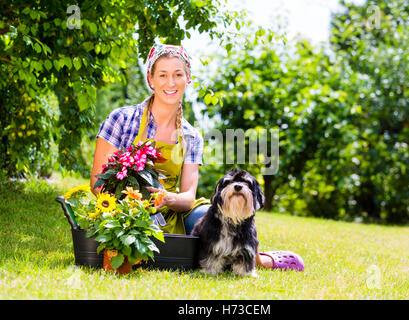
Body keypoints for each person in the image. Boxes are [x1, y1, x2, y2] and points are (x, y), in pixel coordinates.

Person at [90, 44, 304, 271]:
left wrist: (168, 199)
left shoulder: (191, 136)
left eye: (178, 75)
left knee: (210, 212)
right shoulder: (121, 119)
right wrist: (131, 207)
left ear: (188, 79)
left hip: (172, 212)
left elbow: (187, 198)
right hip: (125, 208)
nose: (170, 83)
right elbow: (98, 182)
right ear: (150, 79)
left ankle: (256, 258)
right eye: (162, 75)